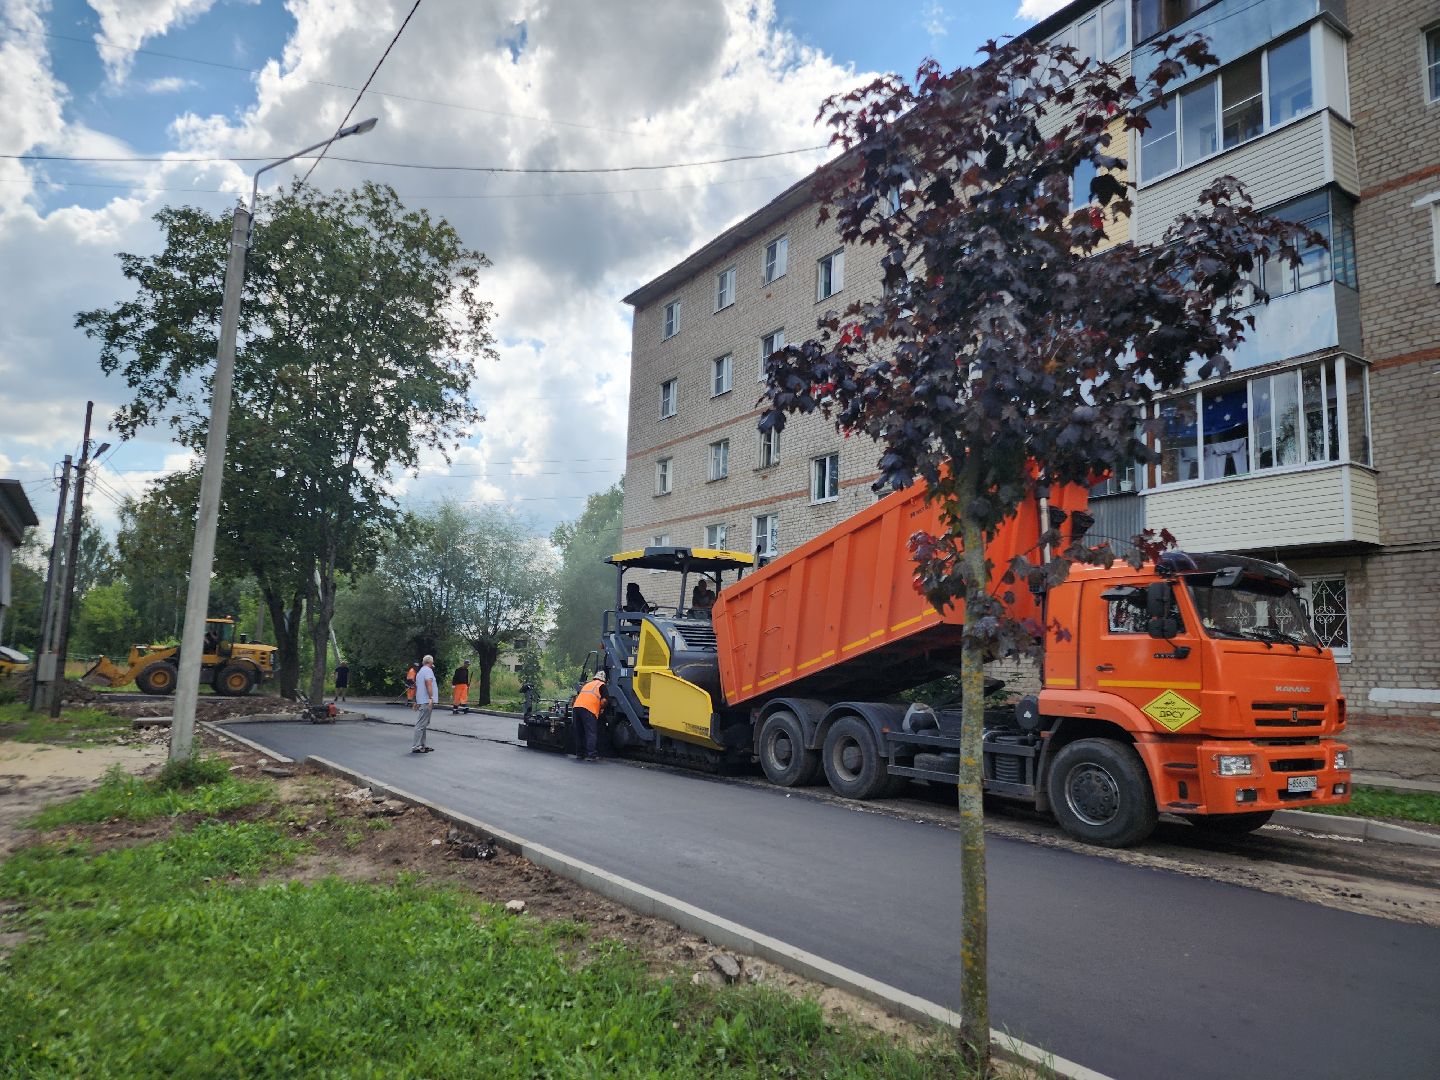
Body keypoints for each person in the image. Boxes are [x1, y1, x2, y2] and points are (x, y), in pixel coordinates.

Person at [570, 669, 607, 762]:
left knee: (579, 732)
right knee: (591, 732)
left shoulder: (587, 684)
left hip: (576, 708)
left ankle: (579, 754)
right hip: (588, 709)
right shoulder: (602, 685)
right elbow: (604, 701)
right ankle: (591, 755)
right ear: (604, 679)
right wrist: (602, 708)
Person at [411, 655, 438, 754]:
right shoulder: (428, 670)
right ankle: (416, 746)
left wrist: (416, 701)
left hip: (422, 700)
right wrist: (431, 697)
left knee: (423, 724)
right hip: (426, 701)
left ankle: (422, 745)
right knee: (421, 724)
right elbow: (428, 683)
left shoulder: (420, 672)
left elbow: (417, 687)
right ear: (430, 662)